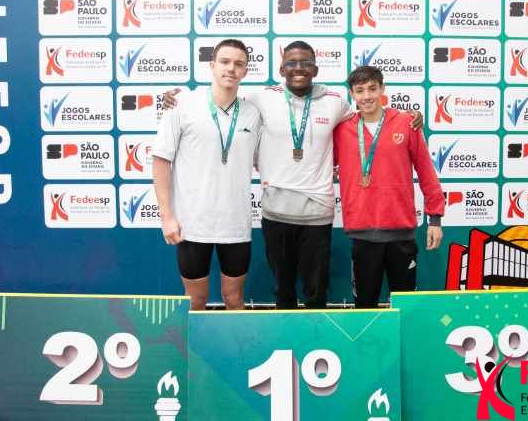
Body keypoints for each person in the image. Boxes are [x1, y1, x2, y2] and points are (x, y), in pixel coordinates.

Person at [163, 41, 423, 309]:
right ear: (281, 69)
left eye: (306, 63)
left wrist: (408, 118)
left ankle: (316, 336)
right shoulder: (260, 99)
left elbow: (369, 117)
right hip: (276, 214)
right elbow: (222, 97)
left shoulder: (336, 102)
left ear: (315, 69)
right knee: (283, 292)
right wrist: (175, 98)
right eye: (292, 63)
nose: (299, 68)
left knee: (316, 293)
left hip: (318, 214)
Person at [152, 39, 261, 311]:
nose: (231, 69)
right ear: (212, 65)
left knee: (234, 299)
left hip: (235, 225)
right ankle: (194, 343)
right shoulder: (182, 104)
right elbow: (161, 160)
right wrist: (166, 216)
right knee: (196, 300)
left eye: (238, 64)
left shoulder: (253, 113)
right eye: (225, 62)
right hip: (192, 224)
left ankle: (235, 343)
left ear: (245, 71)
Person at [333, 66, 445, 308]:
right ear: (352, 94)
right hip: (362, 233)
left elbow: (426, 171)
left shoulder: (406, 123)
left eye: (372, 88)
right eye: (360, 90)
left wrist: (435, 219)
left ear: (382, 89)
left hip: (401, 233)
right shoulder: (341, 129)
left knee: (405, 307)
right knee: (364, 308)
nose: (367, 96)